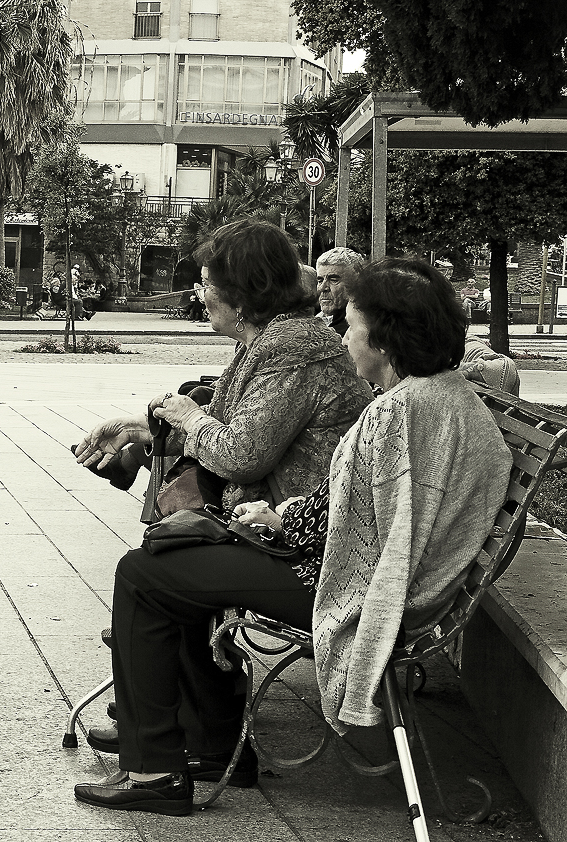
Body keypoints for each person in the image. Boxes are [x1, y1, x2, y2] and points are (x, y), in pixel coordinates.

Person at [73, 257, 513, 816]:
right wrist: (285, 517)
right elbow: (368, 513)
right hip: (377, 577)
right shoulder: (432, 400)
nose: (343, 335)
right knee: (178, 554)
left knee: (144, 575)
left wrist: (291, 521)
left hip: (360, 591)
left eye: (351, 325)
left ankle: (155, 769)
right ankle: (205, 746)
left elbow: (366, 532)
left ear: (383, 340)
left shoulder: (402, 413)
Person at [75, 219, 373, 514]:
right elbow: (230, 420)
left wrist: (191, 418)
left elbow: (241, 455)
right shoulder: (270, 339)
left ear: (240, 296)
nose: (200, 295)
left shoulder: (293, 347)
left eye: (206, 285)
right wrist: (134, 428)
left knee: (146, 561)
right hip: (279, 514)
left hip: (302, 527)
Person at [314, 247, 365, 336]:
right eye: (320, 280)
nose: (323, 288)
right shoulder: (315, 320)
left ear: (356, 283)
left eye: (333, 280)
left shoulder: (359, 331)